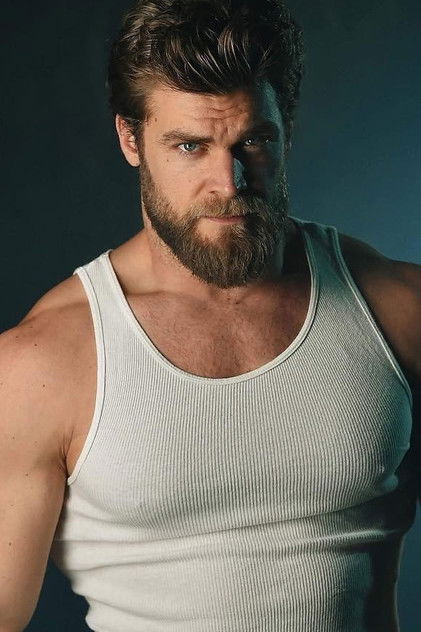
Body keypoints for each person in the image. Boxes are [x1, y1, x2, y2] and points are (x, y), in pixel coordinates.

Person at [1, 0, 420, 630]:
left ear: (285, 129)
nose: (228, 183)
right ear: (130, 139)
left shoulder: (396, 308)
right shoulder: (43, 362)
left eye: (252, 141)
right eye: (190, 146)